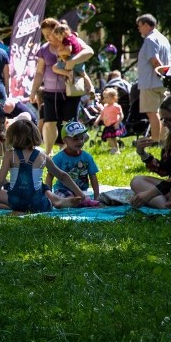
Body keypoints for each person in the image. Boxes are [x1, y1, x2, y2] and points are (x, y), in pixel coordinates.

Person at [0, 119, 84, 213]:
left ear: (12, 136)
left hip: (15, 202)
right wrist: (80, 193)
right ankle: (56, 201)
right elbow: (62, 176)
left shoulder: (10, 154)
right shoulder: (42, 155)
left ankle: (23, 210)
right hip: (37, 204)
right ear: (35, 135)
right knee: (40, 186)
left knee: (12, 188)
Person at [30, 18, 95, 154]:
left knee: (69, 123)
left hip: (71, 91)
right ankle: (47, 152)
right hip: (50, 92)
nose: (47, 37)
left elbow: (89, 51)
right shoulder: (44, 49)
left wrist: (74, 60)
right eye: (44, 35)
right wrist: (33, 91)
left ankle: (68, 151)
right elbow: (39, 72)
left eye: (49, 34)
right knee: (49, 122)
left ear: (57, 31)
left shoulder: (71, 39)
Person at [130, 95, 171, 208]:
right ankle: (166, 207)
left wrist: (151, 193)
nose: (165, 124)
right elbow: (164, 170)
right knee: (137, 181)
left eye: (170, 119)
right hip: (170, 187)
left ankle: (170, 200)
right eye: (163, 119)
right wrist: (142, 153)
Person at [135, 14, 171, 142]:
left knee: (152, 112)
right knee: (164, 114)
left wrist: (161, 73)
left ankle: (156, 140)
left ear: (146, 25)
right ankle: (164, 140)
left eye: (139, 26)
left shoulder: (150, 39)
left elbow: (154, 60)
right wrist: (166, 77)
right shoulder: (164, 39)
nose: (138, 29)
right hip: (163, 83)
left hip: (150, 82)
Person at [47, 121, 101, 206]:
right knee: (68, 199)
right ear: (65, 140)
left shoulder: (87, 157)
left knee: (84, 199)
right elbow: (50, 176)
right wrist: (49, 197)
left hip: (81, 191)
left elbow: (93, 177)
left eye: (82, 138)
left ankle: (76, 202)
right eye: (75, 139)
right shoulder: (59, 158)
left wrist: (97, 196)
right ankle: (68, 201)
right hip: (62, 189)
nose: (79, 142)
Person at [94, 87, 126, 154]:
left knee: (110, 137)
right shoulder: (105, 106)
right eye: (104, 97)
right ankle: (116, 149)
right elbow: (102, 114)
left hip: (114, 124)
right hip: (108, 125)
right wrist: (97, 121)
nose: (105, 99)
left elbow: (121, 115)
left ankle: (114, 149)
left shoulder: (116, 106)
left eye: (107, 97)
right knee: (111, 137)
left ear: (114, 98)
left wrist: (118, 123)